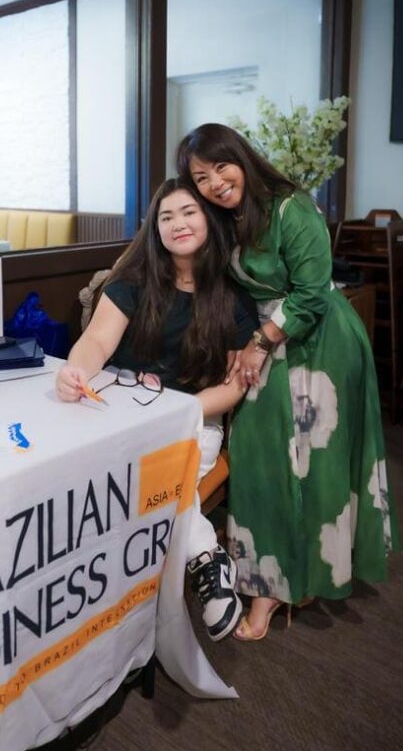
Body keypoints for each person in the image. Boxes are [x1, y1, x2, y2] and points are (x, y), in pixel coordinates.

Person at [176, 123, 401, 641]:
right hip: (267, 337)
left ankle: (303, 578)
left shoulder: (291, 207)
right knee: (259, 450)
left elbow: (311, 293)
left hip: (320, 339)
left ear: (242, 158)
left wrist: (259, 342)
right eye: (201, 178)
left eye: (221, 167)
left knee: (318, 460)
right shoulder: (225, 218)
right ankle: (272, 579)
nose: (215, 183)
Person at [56, 178, 258, 641]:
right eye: (165, 217)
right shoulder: (133, 280)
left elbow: (232, 387)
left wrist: (178, 411)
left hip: (192, 415)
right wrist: (76, 371)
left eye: (188, 212)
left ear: (209, 219)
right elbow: (97, 341)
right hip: (122, 406)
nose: (176, 224)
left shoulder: (233, 296)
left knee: (154, 477)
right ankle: (206, 555)